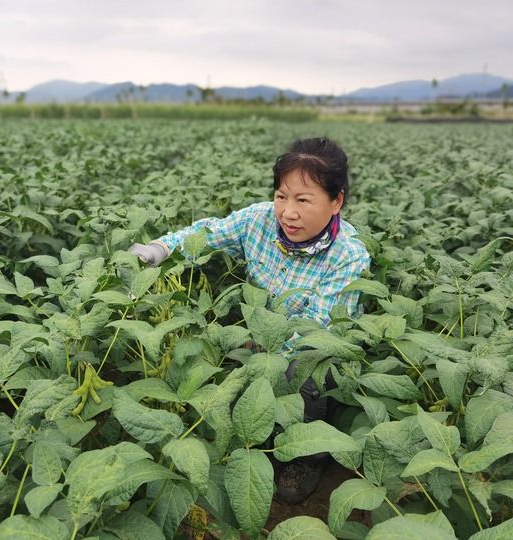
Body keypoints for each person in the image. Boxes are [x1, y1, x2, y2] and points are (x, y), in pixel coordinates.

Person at [128, 137, 371, 504]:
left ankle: (307, 455)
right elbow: (206, 234)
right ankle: (255, 428)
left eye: (304, 200)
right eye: (282, 196)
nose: (288, 213)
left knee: (306, 375)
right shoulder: (258, 219)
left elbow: (316, 331)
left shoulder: (348, 256)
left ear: (336, 202)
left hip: (315, 351)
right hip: (261, 337)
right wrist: (160, 248)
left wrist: (254, 362)